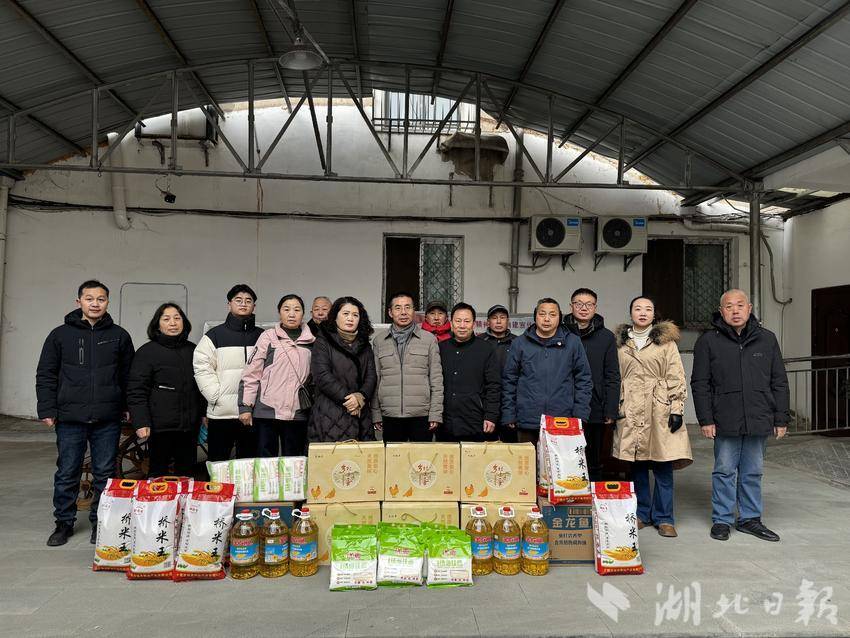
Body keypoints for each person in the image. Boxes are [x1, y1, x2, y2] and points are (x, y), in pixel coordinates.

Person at [36, 280, 134, 547]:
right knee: (68, 471)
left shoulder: (119, 335)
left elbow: (128, 376)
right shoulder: (60, 335)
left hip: (107, 416)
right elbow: (46, 373)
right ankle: (63, 523)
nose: (95, 303)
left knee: (105, 472)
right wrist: (47, 408)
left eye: (101, 299)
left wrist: (128, 407)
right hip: (70, 417)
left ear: (107, 302)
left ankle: (100, 523)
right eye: (89, 298)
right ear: (78, 301)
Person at [691, 289, 789, 543]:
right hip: (725, 417)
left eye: (740, 305)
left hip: (759, 415)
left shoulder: (767, 339)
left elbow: (779, 380)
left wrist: (781, 418)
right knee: (724, 470)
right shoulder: (708, 341)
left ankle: (749, 519)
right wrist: (705, 419)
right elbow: (700, 383)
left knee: (753, 471)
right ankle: (722, 519)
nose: (735, 311)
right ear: (721, 311)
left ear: (749, 308)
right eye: (729, 306)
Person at [613, 296, 691, 538]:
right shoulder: (620, 343)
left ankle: (665, 518)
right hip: (631, 408)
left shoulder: (666, 343)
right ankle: (641, 513)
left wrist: (677, 408)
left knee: (662, 463)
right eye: (638, 308)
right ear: (631, 313)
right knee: (637, 465)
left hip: (659, 409)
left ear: (654, 314)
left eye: (648, 309)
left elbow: (676, 375)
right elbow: (614, 377)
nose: (643, 313)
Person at [127, 303, 205, 478]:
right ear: (157, 324)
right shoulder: (146, 352)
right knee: (158, 473)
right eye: (166, 319)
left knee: (187, 473)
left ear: (184, 322)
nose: (173, 323)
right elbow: (136, 390)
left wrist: (204, 413)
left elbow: (202, 386)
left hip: (189, 426)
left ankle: (185, 496)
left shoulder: (193, 350)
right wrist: (141, 421)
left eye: (177, 318)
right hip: (159, 427)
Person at [501, 298, 592, 445]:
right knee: (527, 460)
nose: (547, 319)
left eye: (552, 314)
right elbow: (509, 381)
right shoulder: (520, 343)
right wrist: (509, 414)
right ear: (535, 316)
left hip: (562, 421)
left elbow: (584, 380)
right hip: (527, 419)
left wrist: (580, 414)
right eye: (542, 314)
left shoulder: (573, 342)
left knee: (559, 460)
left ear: (560, 317)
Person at [193, 284, 264, 462]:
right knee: (218, 463)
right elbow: (201, 367)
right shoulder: (214, 335)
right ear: (229, 304)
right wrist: (216, 395)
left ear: (254, 306)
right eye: (238, 300)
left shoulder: (263, 336)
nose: (243, 304)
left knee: (249, 464)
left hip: (253, 412)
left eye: (248, 301)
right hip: (222, 413)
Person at [239, 294, 315, 457]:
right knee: (266, 460)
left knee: (294, 460)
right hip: (267, 410)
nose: (292, 314)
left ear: (303, 314)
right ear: (279, 312)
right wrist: (246, 407)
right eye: (286, 309)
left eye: (297, 310)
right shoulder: (268, 337)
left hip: (298, 413)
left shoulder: (312, 342)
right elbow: (252, 373)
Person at [563, 288, 620, 481]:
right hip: (563, 404)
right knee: (565, 458)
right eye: (579, 304)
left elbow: (612, 375)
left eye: (589, 304)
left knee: (593, 459)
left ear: (595, 307)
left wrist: (610, 409)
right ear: (571, 306)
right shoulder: (560, 333)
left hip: (594, 406)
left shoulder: (606, 337)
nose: (584, 308)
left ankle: (593, 496)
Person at [372, 291, 444, 442]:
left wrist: (435, 413)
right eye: (398, 308)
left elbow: (436, 379)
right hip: (390, 415)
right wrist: (376, 413)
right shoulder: (379, 341)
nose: (403, 312)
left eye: (408, 307)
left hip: (422, 415)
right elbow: (376, 379)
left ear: (414, 311)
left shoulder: (429, 340)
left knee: (421, 457)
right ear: (390, 312)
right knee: (393, 457)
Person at [309, 297, 377, 442]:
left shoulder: (365, 344)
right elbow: (322, 376)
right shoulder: (323, 341)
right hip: (330, 413)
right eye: (345, 314)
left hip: (361, 411)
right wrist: (350, 400)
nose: (350, 318)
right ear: (335, 317)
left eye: (355, 315)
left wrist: (360, 397)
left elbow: (371, 376)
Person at [437, 303, 501, 442]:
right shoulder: (441, 349)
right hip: (445, 423)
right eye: (458, 321)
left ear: (474, 324)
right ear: (451, 323)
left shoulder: (485, 349)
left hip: (476, 422)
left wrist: (491, 416)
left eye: (467, 321)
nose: (462, 325)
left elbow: (494, 386)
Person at [480, 304, 517, 442]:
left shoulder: (517, 342)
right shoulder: (479, 342)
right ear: (488, 322)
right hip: (486, 404)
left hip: (510, 403)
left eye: (502, 318)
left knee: (511, 446)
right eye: (494, 318)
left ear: (508, 321)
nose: (499, 321)